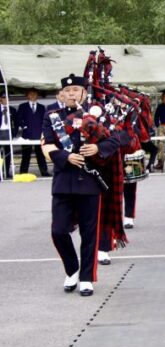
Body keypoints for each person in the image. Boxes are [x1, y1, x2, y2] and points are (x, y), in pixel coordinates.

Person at [41, 74, 120, 296]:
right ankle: (71, 269)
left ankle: (86, 277)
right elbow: (47, 142)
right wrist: (65, 157)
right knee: (58, 230)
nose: (70, 94)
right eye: (66, 91)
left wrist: (98, 149)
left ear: (84, 92)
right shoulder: (52, 116)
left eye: (75, 90)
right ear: (60, 94)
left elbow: (115, 139)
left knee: (89, 233)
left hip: (89, 181)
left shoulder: (97, 114)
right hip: (63, 181)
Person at [18, 88, 49, 176]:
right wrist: (23, 126)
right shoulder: (22, 106)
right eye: (30, 94)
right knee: (26, 155)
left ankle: (44, 172)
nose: (32, 96)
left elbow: (45, 120)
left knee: (40, 155)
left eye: (34, 94)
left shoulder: (42, 107)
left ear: (37, 96)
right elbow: (18, 119)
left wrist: (43, 130)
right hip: (26, 134)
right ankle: (23, 173)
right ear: (27, 96)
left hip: (39, 134)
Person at [0, 92, 18, 179]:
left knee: (7, 153)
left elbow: (16, 123)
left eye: (7, 98)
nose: (6, 99)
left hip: (8, 132)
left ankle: (6, 172)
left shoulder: (12, 109)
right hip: (0, 131)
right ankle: (0, 173)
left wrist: (14, 133)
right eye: (4, 97)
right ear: (1, 99)